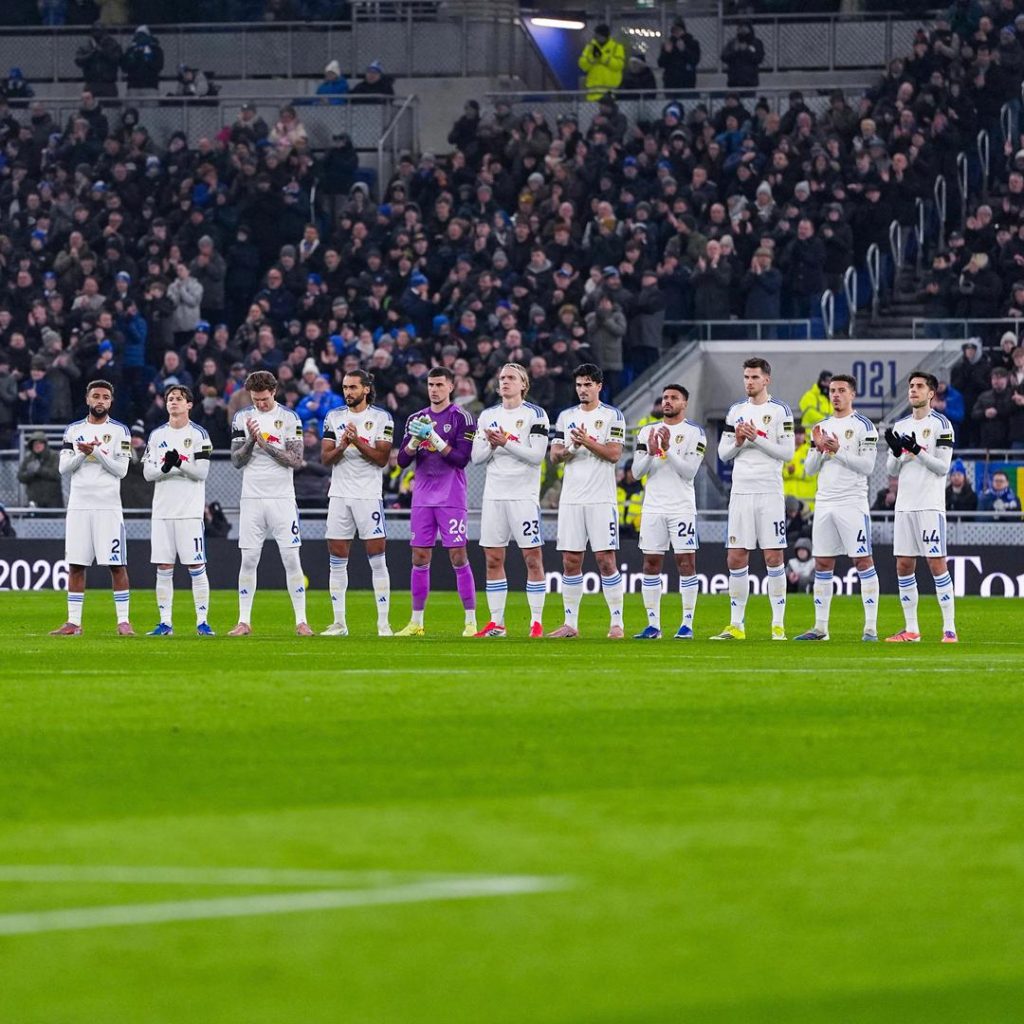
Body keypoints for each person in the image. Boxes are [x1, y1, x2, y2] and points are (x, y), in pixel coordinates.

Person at [793, 374, 881, 642]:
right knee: (822, 563)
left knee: (863, 561)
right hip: (825, 502)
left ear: (852, 394)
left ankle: (870, 628)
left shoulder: (865, 426)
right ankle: (820, 628)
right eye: (832, 391)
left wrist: (838, 449)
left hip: (852, 502)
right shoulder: (820, 426)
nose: (836, 395)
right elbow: (808, 469)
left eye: (842, 390)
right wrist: (819, 450)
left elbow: (867, 468)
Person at [713, 357, 795, 640]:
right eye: (746, 377)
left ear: (766, 380)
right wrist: (737, 440)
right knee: (736, 557)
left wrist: (755, 437)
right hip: (741, 492)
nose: (749, 382)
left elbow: (787, 453)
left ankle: (778, 625)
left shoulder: (780, 410)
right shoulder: (736, 411)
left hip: (769, 492)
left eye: (754, 377)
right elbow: (723, 454)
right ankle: (737, 625)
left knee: (774, 556)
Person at [394, 366, 477, 637]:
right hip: (422, 497)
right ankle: (416, 621)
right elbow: (402, 461)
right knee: (419, 556)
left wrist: (435, 439)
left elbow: (461, 459)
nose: (434, 389)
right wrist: (414, 442)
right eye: (431, 385)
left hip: (451, 495)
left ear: (451, 387)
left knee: (458, 555)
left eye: (440, 385)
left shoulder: (462, 418)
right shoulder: (416, 418)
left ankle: (470, 620)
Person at [228, 370, 312, 637]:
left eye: (264, 399)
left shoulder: (289, 418)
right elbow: (236, 461)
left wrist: (265, 444)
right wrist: (252, 441)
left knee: (290, 557)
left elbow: (296, 460)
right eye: (255, 399)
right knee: (249, 558)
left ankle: (301, 621)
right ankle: (243, 621)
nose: (260, 404)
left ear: (274, 392)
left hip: (282, 498)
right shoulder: (242, 417)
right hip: (251, 498)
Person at [470, 362, 550, 639]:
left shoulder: (536, 415)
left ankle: (536, 622)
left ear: (523, 384)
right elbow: (476, 457)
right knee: (493, 558)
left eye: (511, 378)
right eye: (502, 377)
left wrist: (505, 443)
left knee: (532, 558)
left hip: (523, 497)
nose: (504, 382)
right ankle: (496, 623)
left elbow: (537, 456)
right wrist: (491, 444)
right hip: (494, 496)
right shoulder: (487, 416)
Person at [548, 364, 626, 638]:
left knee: (606, 560)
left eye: (587, 385)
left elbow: (614, 454)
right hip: (572, 499)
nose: (582, 389)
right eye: (579, 384)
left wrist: (587, 441)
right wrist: (571, 447)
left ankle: (617, 624)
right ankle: (571, 624)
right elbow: (554, 454)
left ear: (599, 386)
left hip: (601, 500)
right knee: (571, 560)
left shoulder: (612, 416)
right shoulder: (566, 416)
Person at [50, 380, 133, 636]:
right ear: (87, 399)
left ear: (111, 402)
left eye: (105, 397)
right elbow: (63, 468)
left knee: (116, 565)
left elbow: (122, 470)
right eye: (95, 396)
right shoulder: (73, 430)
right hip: (79, 506)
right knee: (76, 564)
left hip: (108, 507)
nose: (100, 401)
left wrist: (96, 453)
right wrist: (81, 454)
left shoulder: (120, 431)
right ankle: (73, 623)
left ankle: (123, 621)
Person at [882, 371, 957, 642]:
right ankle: (911, 629)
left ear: (931, 393)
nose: (913, 390)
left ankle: (949, 628)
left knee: (936, 563)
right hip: (905, 505)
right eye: (911, 386)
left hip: (929, 505)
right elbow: (891, 470)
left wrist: (917, 450)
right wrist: (895, 452)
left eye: (919, 386)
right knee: (903, 565)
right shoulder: (901, 425)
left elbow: (943, 467)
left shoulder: (942, 425)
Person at [320, 369, 394, 637]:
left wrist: (357, 441)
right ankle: (339, 623)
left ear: (366, 389)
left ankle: (383, 623)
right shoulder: (334, 417)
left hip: (368, 495)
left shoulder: (381, 418)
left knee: (377, 558)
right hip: (339, 495)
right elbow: (326, 459)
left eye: (353, 387)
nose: (348, 392)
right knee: (337, 559)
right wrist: (342, 445)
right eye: (344, 387)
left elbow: (382, 458)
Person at [630, 384, 706, 640]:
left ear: (684, 403)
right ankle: (653, 626)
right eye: (665, 397)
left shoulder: (695, 432)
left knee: (686, 563)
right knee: (650, 563)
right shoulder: (646, 431)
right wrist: (652, 452)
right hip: (652, 507)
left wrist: (668, 448)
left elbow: (689, 473)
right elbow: (636, 472)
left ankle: (687, 624)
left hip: (682, 508)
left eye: (674, 398)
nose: (668, 401)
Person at [141, 384, 214, 636]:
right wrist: (166, 468)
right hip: (162, 512)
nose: (174, 402)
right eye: (170, 398)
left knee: (196, 566)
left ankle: (202, 622)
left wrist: (179, 463)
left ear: (189, 405)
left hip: (189, 512)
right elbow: (147, 473)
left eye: (179, 399)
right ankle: (165, 623)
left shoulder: (199, 434)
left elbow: (202, 472)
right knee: (163, 567)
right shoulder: (156, 435)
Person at [578, 24, 625, 101]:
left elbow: (619, 65)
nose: (597, 37)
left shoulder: (616, 47)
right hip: (593, 91)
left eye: (599, 35)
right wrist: (593, 59)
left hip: (611, 92)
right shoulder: (590, 47)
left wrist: (602, 57)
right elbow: (582, 65)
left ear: (605, 36)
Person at [17, 429, 63, 507]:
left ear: (45, 444)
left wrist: (39, 470)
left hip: (53, 502)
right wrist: (29, 473)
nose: (37, 446)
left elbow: (56, 474)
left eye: (40, 443)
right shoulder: (29, 458)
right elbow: (20, 477)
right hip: (34, 502)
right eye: (35, 444)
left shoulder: (54, 456)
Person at [658, 17, 701, 92]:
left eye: (678, 30)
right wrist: (667, 52)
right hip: (670, 82)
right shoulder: (668, 44)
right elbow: (661, 63)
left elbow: (695, 60)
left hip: (687, 81)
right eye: (674, 30)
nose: (676, 33)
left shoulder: (691, 43)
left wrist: (684, 50)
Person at [721, 22, 764, 90]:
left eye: (744, 28)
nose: (742, 30)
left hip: (750, 81)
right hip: (734, 81)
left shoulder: (756, 43)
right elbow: (724, 57)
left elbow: (759, 58)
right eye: (740, 28)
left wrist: (746, 50)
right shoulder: (732, 43)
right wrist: (735, 51)